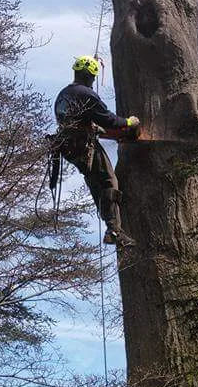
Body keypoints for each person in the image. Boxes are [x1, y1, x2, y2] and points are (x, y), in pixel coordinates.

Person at [54, 55, 139, 246]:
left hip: (69, 147)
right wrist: (128, 122)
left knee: (95, 182)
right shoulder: (86, 94)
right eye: (92, 78)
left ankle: (110, 224)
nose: (93, 82)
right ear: (89, 76)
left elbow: (75, 120)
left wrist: (95, 128)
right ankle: (114, 231)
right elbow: (108, 119)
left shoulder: (64, 94)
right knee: (109, 181)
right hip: (82, 145)